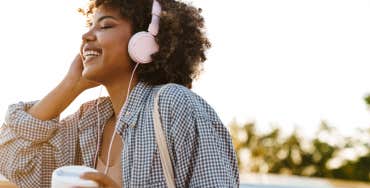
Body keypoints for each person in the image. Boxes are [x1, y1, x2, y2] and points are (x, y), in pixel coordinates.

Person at [0, 0, 239, 187]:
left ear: (144, 43)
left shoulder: (174, 105)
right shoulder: (89, 120)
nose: (86, 36)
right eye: (90, 26)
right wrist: (69, 86)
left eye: (105, 25)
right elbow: (13, 158)